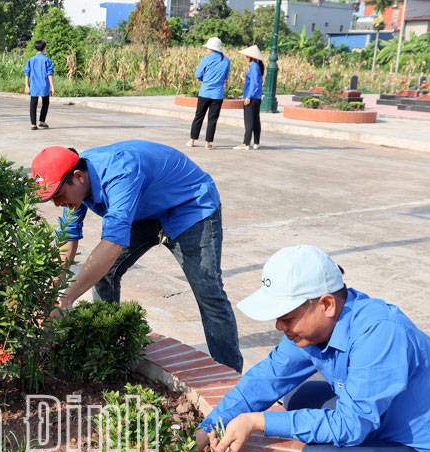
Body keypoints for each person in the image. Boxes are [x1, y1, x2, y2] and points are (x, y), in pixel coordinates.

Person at [195, 245, 430, 452]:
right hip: (400, 436)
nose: (278, 325)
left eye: (287, 316)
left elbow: (350, 426)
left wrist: (258, 421)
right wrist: (207, 428)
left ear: (326, 304)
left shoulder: (380, 334)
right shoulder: (322, 327)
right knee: (303, 398)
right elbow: (265, 380)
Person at [32, 142, 244, 372]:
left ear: (78, 177)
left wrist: (67, 298)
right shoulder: (76, 180)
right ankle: (107, 354)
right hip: (144, 209)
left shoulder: (120, 173)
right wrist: (52, 296)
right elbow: (67, 238)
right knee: (103, 274)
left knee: (208, 293)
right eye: (52, 199)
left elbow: (113, 243)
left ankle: (230, 373)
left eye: (59, 194)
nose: (58, 203)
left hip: (189, 207)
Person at [187, 37, 231, 150]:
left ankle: (192, 140)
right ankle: (208, 143)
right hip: (218, 94)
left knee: (199, 116)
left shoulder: (206, 59)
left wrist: (205, 80)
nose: (207, 49)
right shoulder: (226, 60)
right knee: (212, 119)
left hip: (205, 92)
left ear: (211, 48)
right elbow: (226, 76)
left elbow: (197, 74)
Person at [233, 45, 264, 151]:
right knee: (255, 120)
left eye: (248, 56)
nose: (246, 57)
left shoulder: (254, 66)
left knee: (249, 121)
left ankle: (246, 143)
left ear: (253, 57)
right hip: (257, 97)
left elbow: (254, 84)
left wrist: (248, 97)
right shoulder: (258, 66)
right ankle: (256, 142)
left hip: (252, 97)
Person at [24, 40, 55, 131]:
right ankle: (42, 121)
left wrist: (26, 85)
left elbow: (27, 73)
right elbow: (50, 74)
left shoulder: (31, 60)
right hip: (44, 85)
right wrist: (52, 86)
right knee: (45, 103)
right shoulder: (47, 60)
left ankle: (33, 124)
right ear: (44, 48)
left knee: (33, 104)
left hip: (34, 85)